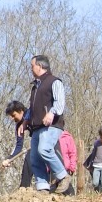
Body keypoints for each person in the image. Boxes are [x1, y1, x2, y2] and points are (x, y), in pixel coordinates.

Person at [24, 55, 71, 194]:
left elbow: (60, 102)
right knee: (35, 158)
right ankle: (42, 187)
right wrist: (26, 120)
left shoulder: (54, 81)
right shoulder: (35, 87)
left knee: (44, 149)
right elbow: (32, 107)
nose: (31, 68)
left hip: (51, 125)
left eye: (32, 65)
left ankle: (63, 176)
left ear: (40, 66)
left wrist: (51, 113)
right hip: (36, 126)